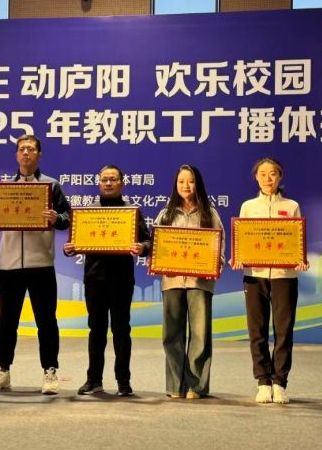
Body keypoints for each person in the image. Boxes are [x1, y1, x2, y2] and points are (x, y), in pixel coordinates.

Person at [0, 135, 71, 395]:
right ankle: (3, 370)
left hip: (41, 263)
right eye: (22, 149)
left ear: (39, 155)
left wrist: (55, 218)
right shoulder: (2, 190)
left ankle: (50, 370)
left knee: (46, 320)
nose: (26, 153)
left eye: (31, 149)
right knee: (7, 321)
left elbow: (67, 217)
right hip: (9, 265)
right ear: (16, 155)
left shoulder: (51, 186)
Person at [63, 164, 151, 397]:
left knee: (122, 330)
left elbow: (148, 241)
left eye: (113, 179)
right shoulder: (88, 213)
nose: (108, 183)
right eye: (104, 180)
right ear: (99, 183)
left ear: (122, 183)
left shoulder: (132, 212)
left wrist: (142, 247)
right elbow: (75, 242)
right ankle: (94, 380)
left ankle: (123, 381)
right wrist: (69, 248)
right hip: (95, 279)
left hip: (122, 279)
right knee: (96, 330)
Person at [230, 157, 308, 404]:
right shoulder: (248, 206)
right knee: (257, 331)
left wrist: (300, 259)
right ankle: (263, 382)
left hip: (285, 276)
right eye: (262, 174)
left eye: (272, 173)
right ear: (256, 177)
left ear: (280, 177)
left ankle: (280, 382)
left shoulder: (292, 206)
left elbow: (296, 241)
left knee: (284, 331)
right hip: (255, 275)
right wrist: (238, 257)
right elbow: (242, 239)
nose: (267, 178)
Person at [153, 164, 224, 399]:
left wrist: (217, 263)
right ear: (176, 184)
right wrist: (155, 259)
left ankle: (195, 386)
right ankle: (175, 386)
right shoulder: (166, 214)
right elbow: (156, 243)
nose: (186, 186)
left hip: (199, 281)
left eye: (190, 181)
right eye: (181, 181)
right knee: (171, 334)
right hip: (172, 280)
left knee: (200, 335)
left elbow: (219, 242)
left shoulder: (209, 213)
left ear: (198, 184)